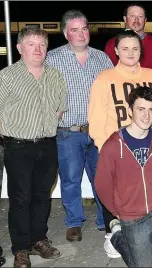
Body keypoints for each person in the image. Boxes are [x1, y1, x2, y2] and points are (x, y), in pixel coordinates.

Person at [0, 25, 67, 268]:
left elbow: (59, 110)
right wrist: (9, 139)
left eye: (42, 44)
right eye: (31, 44)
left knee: (42, 196)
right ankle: (21, 248)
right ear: (20, 48)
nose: (37, 49)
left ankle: (38, 240)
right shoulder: (6, 77)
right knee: (21, 199)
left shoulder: (55, 76)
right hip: (18, 147)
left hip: (48, 145)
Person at [95, 86, 152, 268]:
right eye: (141, 109)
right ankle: (118, 237)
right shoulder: (114, 145)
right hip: (132, 215)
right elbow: (102, 185)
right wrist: (119, 211)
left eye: (151, 109)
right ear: (130, 110)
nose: (146, 115)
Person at [45, 9, 114, 254]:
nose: (81, 33)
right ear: (65, 33)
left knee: (102, 178)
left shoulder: (102, 59)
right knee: (70, 179)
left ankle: (103, 219)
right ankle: (74, 222)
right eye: (74, 29)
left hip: (98, 130)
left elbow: (111, 92)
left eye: (84, 28)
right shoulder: (52, 59)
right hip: (68, 131)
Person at [88, 29, 152, 259]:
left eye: (135, 48)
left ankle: (143, 233)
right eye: (125, 48)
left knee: (143, 192)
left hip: (147, 146)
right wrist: (103, 147)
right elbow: (97, 116)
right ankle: (113, 235)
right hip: (117, 147)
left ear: (142, 51)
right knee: (115, 194)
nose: (130, 52)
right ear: (116, 51)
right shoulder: (104, 78)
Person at [104, 4, 152, 69]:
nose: (136, 20)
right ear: (125, 19)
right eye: (132, 16)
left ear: (145, 20)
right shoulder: (112, 43)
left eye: (140, 16)